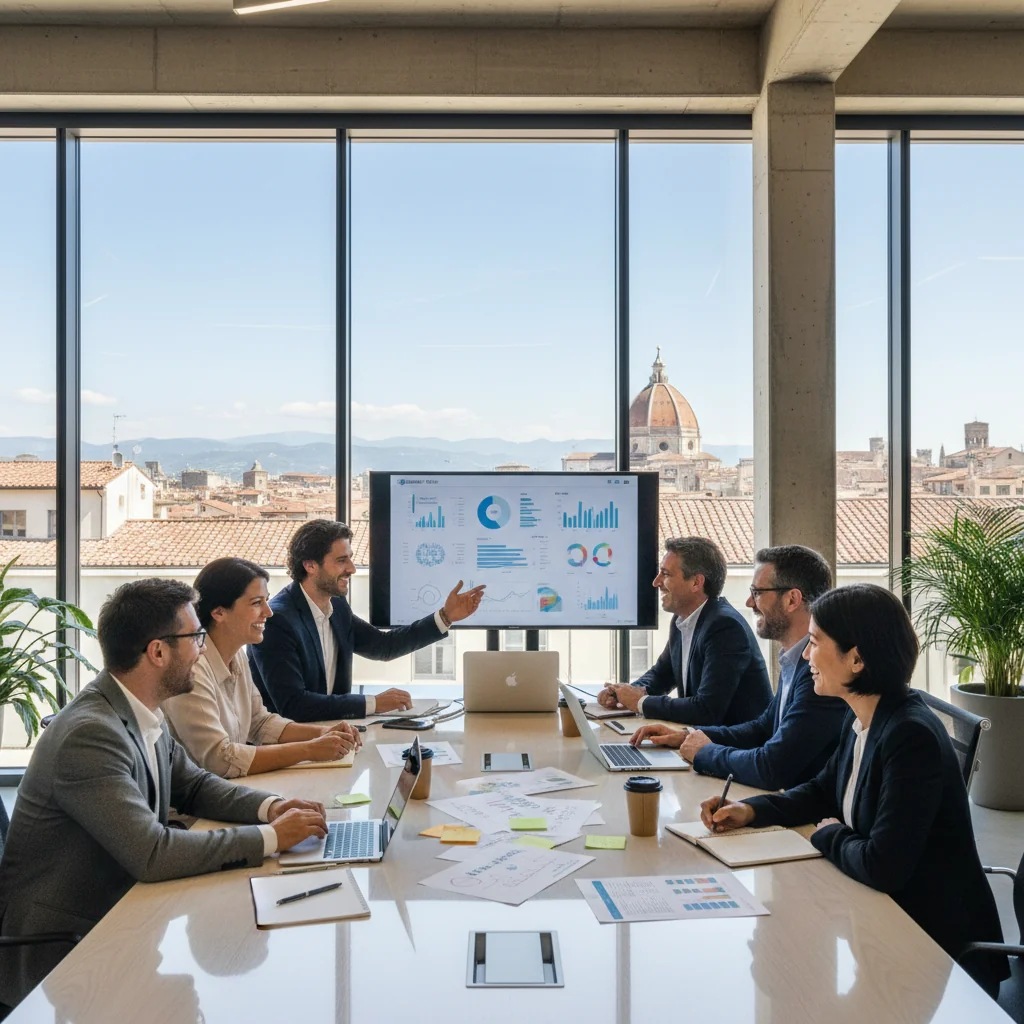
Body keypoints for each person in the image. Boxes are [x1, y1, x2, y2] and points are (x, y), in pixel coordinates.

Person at [0, 579, 329, 1010]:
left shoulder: (138, 710)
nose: (202, 650)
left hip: (123, 919)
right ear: (157, 652)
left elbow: (194, 785)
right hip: (67, 956)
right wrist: (272, 838)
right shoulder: (91, 734)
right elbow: (153, 853)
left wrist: (272, 808)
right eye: (195, 638)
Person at [699, 584, 1008, 994]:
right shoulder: (863, 713)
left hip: (935, 950)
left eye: (815, 643)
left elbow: (883, 866)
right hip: (884, 920)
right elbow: (822, 790)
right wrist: (752, 810)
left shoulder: (909, 736)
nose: (806, 656)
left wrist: (828, 834)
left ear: (857, 659)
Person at [629, 545, 847, 789]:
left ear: (792, 600)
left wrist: (704, 752)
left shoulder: (819, 672)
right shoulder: (793, 659)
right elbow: (762, 728)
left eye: (757, 592)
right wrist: (688, 735)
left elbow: (772, 768)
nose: (749, 602)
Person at [250, 519, 485, 721]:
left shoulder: (336, 606)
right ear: (310, 565)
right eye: (341, 560)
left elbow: (383, 646)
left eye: (350, 559)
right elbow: (293, 705)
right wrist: (373, 703)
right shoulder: (277, 620)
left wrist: (446, 616)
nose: (352, 569)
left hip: (331, 734)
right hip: (288, 747)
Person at [163, 557, 363, 777]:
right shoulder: (191, 670)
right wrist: (309, 749)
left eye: (266, 600)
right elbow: (219, 759)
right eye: (257, 603)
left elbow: (260, 723)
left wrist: (323, 732)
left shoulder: (237, 655)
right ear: (218, 612)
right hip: (197, 798)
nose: (269, 611)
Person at [597, 536, 771, 725]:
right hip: (701, 737)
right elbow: (662, 674)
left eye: (666, 574)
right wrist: (623, 693)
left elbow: (706, 710)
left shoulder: (725, 627)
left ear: (696, 582)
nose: (656, 582)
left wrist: (640, 702)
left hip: (736, 742)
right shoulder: (681, 619)